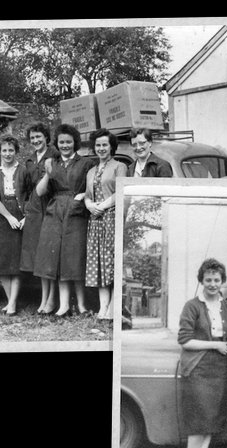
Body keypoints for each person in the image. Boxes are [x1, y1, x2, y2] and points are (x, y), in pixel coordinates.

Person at [177, 258, 227, 448]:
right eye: (208, 279)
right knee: (199, 420)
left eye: (216, 280)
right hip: (198, 367)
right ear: (201, 281)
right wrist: (214, 346)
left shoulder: (226, 306)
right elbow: (185, 340)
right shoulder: (193, 305)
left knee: (211, 420)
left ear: (222, 282)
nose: (212, 283)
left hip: (218, 368)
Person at [33, 124, 96, 317]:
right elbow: (40, 192)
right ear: (57, 143)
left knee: (74, 257)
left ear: (75, 143)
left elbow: (94, 185)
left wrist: (83, 195)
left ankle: (82, 305)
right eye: (62, 142)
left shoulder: (85, 163)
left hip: (76, 212)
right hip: (55, 212)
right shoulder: (52, 162)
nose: (65, 145)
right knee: (57, 258)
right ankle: (63, 305)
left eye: (69, 142)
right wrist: (46, 172)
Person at [85, 129, 126, 320]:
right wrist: (89, 205)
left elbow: (121, 191)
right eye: (98, 145)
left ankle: (112, 308)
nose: (101, 148)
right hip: (96, 221)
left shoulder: (120, 166)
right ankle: (103, 308)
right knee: (99, 264)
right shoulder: (91, 171)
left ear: (111, 147)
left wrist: (102, 205)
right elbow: (87, 195)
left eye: (104, 145)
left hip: (111, 218)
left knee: (111, 263)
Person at [0, 134, 31, 316]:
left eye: (11, 150)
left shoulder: (23, 171)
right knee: (3, 264)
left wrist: (25, 217)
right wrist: (8, 217)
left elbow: (30, 196)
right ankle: (10, 301)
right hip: (3, 218)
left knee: (15, 264)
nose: (7, 153)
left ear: (16, 152)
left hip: (21, 216)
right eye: (4, 150)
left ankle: (12, 304)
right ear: (0, 152)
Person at [20, 122, 59, 314]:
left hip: (51, 208)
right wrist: (26, 209)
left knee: (50, 255)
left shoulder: (55, 156)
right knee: (40, 257)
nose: (36, 141)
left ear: (46, 138)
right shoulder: (29, 161)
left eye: (39, 137)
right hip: (35, 212)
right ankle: (44, 299)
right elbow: (26, 190)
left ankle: (52, 299)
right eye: (33, 138)